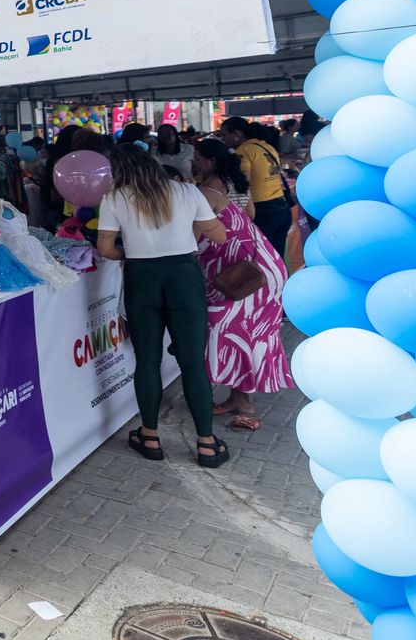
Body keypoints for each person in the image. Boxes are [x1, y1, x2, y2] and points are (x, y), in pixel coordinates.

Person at [95, 145, 230, 468]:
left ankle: (150, 436)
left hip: (142, 278)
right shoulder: (187, 191)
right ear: (154, 165)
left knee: (147, 360)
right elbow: (221, 236)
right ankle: (207, 443)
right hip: (184, 275)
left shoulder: (115, 198)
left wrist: (128, 254)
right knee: (193, 363)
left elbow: (104, 248)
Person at [191, 139, 291, 430]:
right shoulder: (233, 181)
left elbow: (187, 239)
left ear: (210, 160)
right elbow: (251, 216)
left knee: (225, 328)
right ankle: (240, 398)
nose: (194, 162)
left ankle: (236, 396)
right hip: (256, 267)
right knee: (246, 332)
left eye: (197, 157)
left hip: (246, 275)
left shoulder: (204, 191)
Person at [219, 116, 291, 258]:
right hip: (282, 207)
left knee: (264, 259)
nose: (223, 140)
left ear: (237, 134)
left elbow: (244, 184)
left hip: (263, 210)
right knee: (277, 258)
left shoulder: (243, 151)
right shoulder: (266, 146)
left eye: (224, 135)